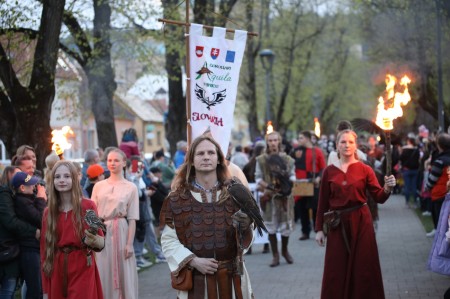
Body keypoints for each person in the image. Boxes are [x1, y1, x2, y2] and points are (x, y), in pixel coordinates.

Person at [160, 135, 254, 299]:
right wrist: (193, 261)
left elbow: (247, 236)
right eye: (200, 153)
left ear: (218, 159)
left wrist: (245, 227)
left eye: (210, 153)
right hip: (195, 281)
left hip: (232, 280)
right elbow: (168, 240)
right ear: (191, 160)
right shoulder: (176, 199)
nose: (206, 157)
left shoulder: (235, 194)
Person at [315, 129, 396, 299]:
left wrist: (387, 188)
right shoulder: (329, 171)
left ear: (356, 145)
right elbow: (322, 203)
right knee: (336, 267)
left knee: (364, 267)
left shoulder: (365, 169)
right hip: (337, 224)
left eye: (350, 142)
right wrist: (319, 230)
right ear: (337, 145)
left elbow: (379, 197)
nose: (346, 145)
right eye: (343, 142)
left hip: (361, 222)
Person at [40, 161, 104, 299]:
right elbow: (44, 251)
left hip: (82, 264)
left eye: (66, 176)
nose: (62, 180)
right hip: (57, 268)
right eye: (57, 177)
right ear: (52, 181)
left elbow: (100, 241)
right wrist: (45, 289)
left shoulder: (88, 206)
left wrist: (92, 237)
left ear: (74, 179)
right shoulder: (48, 212)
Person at [91, 148, 139, 299]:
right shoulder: (98, 186)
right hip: (102, 231)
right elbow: (91, 213)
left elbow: (132, 218)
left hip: (122, 231)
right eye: (110, 160)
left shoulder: (131, 187)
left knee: (123, 270)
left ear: (124, 163)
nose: (112, 163)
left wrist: (129, 243)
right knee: (103, 268)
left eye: (116, 160)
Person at [255, 131, 296, 267]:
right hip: (269, 197)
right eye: (270, 140)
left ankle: (284, 251)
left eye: (275, 140)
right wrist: (269, 186)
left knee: (285, 226)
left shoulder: (287, 159)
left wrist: (288, 183)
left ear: (279, 142)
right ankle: (275, 255)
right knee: (271, 227)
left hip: (284, 198)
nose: (273, 143)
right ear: (267, 142)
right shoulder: (261, 159)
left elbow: (292, 175)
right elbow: (258, 178)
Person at [0, 166, 39, 298]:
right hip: (10, 251)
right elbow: (11, 222)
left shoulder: (13, 196)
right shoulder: (8, 197)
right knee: (9, 291)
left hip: (12, 251)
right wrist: (34, 231)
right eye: (18, 174)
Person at [11, 172, 47, 299]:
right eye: (31, 184)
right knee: (35, 289)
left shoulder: (27, 199)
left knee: (39, 287)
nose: (34, 186)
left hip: (33, 248)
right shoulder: (22, 202)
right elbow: (41, 219)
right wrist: (41, 199)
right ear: (22, 188)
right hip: (29, 250)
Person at [294, 131, 326, 241]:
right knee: (301, 209)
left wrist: (318, 178)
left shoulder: (317, 151)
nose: (299, 140)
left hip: (314, 183)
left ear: (307, 139)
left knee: (316, 208)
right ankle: (305, 231)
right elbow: (290, 166)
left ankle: (318, 230)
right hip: (300, 184)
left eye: (301, 138)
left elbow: (323, 168)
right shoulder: (295, 151)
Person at [425, 133, 450, 238]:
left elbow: (433, 178)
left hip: (440, 194)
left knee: (440, 220)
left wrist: (428, 186)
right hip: (447, 193)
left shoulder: (440, 160)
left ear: (439, 145)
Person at [399, 137, 420, 207]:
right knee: (414, 186)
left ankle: (407, 202)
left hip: (406, 170)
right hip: (415, 170)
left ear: (409, 142)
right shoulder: (416, 150)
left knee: (407, 186)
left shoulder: (405, 150)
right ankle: (414, 202)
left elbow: (401, 159)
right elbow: (418, 159)